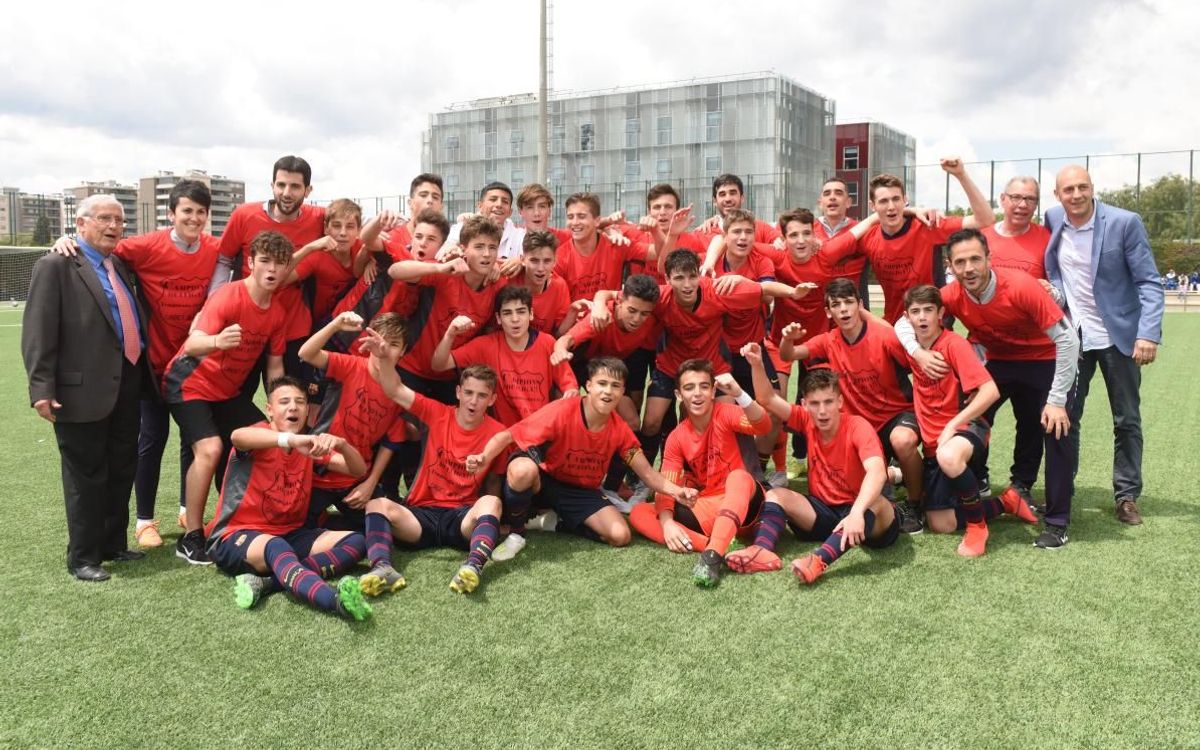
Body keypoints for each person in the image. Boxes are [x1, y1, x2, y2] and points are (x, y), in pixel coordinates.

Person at [50, 180, 220, 547]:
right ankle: (145, 521)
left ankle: (184, 508)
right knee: (151, 440)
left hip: (194, 365)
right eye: (186, 211)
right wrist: (68, 240)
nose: (194, 218)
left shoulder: (214, 249)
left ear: (207, 218)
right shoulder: (145, 246)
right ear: (171, 214)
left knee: (193, 440)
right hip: (153, 364)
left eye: (200, 212)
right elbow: (99, 244)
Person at [896, 228, 1080, 548]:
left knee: (1056, 427)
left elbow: (1068, 340)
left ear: (989, 259)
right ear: (950, 266)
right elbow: (904, 321)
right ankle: (972, 482)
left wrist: (1056, 399)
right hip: (1000, 362)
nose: (969, 268)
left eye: (975, 260)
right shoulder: (951, 295)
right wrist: (919, 353)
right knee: (973, 413)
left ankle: (1057, 521)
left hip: (1045, 359)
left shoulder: (1021, 287)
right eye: (960, 262)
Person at [23, 194, 149, 581]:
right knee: (85, 475)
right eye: (104, 219)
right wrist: (41, 387)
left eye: (120, 220)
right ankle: (82, 557)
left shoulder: (121, 265)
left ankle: (112, 543)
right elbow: (38, 330)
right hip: (81, 391)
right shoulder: (56, 265)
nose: (114, 226)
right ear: (80, 225)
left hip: (128, 382)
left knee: (121, 468)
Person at [467, 357, 697, 560]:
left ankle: (555, 522)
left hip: (581, 490)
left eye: (615, 386)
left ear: (622, 391)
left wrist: (678, 492)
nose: (608, 391)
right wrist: (483, 456)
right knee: (521, 470)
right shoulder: (561, 411)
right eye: (602, 384)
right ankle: (517, 532)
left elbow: (647, 474)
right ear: (588, 386)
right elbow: (507, 436)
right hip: (545, 479)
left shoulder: (620, 430)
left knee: (621, 535)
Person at [1044, 165, 1164, 526]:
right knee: (1066, 418)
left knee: (1126, 419)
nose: (1076, 195)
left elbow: (1149, 281)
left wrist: (1147, 333)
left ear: (1093, 188)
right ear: (1057, 195)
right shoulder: (1051, 219)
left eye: (1082, 187)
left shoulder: (1125, 222)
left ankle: (1126, 495)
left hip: (1119, 338)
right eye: (1068, 190)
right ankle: (1063, 491)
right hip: (1073, 338)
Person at [163, 231, 291, 564]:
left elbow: (275, 366)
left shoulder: (277, 312)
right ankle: (191, 537)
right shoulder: (229, 296)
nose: (271, 269)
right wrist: (218, 342)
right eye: (264, 261)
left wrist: (280, 405)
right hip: (187, 383)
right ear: (250, 263)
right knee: (210, 449)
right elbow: (193, 344)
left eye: (279, 263)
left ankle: (240, 516)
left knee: (265, 436)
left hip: (224, 392)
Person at [204, 377, 372, 620]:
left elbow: (357, 470)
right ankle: (334, 601)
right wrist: (291, 439)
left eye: (300, 402)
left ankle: (269, 583)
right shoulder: (261, 435)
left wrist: (343, 445)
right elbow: (237, 437)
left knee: (356, 541)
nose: (293, 407)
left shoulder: (307, 446)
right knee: (276, 547)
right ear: (270, 410)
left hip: (290, 533)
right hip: (237, 536)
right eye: (284, 402)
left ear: (307, 410)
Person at [726, 355, 899, 585]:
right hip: (825, 513)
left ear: (839, 402)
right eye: (815, 404)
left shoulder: (858, 426)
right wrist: (757, 364)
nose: (823, 411)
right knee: (776, 494)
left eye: (828, 402)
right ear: (805, 404)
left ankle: (818, 561)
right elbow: (767, 399)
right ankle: (761, 551)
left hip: (867, 519)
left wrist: (856, 513)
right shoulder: (805, 419)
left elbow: (877, 471)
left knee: (877, 501)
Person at [778, 278, 924, 532]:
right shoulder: (828, 340)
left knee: (903, 440)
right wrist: (787, 339)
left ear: (860, 305)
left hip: (895, 415)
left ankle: (915, 503)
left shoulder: (884, 336)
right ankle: (895, 476)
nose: (843, 310)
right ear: (828, 311)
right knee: (870, 493)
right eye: (836, 305)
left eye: (848, 303)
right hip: (860, 425)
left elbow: (917, 369)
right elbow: (788, 355)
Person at [900, 285, 1037, 555]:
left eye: (929, 310)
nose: (923, 317)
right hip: (934, 443)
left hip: (966, 429)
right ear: (907, 318)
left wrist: (952, 424)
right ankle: (1006, 503)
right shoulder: (912, 348)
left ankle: (977, 528)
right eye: (916, 312)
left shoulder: (954, 344)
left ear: (940, 312)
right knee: (942, 524)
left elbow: (990, 391)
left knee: (949, 456)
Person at [358, 350, 509, 595]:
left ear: (492, 400)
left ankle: (473, 567)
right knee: (377, 504)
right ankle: (382, 568)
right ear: (458, 392)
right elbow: (395, 389)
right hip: (421, 515)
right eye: (468, 393)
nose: (473, 401)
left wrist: (494, 521)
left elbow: (494, 481)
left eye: (482, 396)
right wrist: (384, 357)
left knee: (492, 502)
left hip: (461, 519)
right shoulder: (436, 413)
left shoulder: (498, 433)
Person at [628, 361, 772, 587]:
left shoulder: (726, 413)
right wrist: (667, 524)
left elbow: (763, 426)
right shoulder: (677, 437)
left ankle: (712, 555)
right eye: (689, 388)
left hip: (746, 503)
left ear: (714, 390)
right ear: (678, 394)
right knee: (639, 512)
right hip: (711, 509)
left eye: (704, 387)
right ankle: (719, 546)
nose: (697, 394)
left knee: (739, 477)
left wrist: (740, 394)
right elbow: (667, 486)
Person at [823, 159, 996, 325]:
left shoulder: (928, 226)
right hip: (894, 325)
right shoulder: (869, 237)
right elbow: (829, 253)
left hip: (933, 325)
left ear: (904, 200)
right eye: (883, 201)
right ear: (872, 206)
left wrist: (961, 174)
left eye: (896, 199)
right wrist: (872, 219)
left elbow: (985, 219)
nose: (891, 206)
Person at [208, 155, 326, 378]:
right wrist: (214, 304)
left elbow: (349, 221)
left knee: (290, 399)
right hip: (245, 327)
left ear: (308, 190)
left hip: (293, 328)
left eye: (295, 186)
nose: (286, 193)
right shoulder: (245, 215)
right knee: (232, 400)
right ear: (272, 185)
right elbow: (223, 259)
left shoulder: (319, 218)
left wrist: (385, 226)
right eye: (281, 185)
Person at [298, 312, 410, 531]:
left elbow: (391, 441)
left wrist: (370, 483)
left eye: (393, 344)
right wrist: (336, 324)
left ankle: (336, 523)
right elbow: (306, 353)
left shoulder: (399, 392)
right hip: (317, 470)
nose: (383, 349)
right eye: (379, 340)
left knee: (387, 527)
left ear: (403, 351)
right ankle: (323, 520)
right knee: (293, 529)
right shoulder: (349, 365)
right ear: (368, 342)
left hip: (356, 477)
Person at [390, 215, 504, 404]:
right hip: (411, 368)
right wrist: (439, 269)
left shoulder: (498, 283)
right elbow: (395, 271)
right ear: (463, 249)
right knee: (410, 430)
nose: (486, 254)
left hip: (450, 376)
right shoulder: (447, 272)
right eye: (479, 247)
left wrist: (509, 263)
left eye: (492, 248)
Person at [431, 285, 578, 425]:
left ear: (531, 314)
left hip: (539, 432)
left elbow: (570, 387)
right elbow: (439, 364)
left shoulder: (547, 343)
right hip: (502, 435)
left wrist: (568, 397)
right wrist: (450, 334)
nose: (515, 319)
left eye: (521, 311)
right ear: (498, 318)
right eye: (507, 313)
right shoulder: (486, 345)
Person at [982, 177, 1049, 279]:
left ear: (1036, 204)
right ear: (1003, 199)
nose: (1023, 205)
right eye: (1016, 197)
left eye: (1030, 199)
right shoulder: (981, 238)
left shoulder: (1047, 239)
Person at [444, 181, 522, 259]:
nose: (499, 205)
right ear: (480, 206)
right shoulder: (461, 228)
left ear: (510, 212)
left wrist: (520, 262)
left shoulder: (519, 236)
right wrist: (453, 250)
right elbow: (447, 247)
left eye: (505, 202)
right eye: (493, 199)